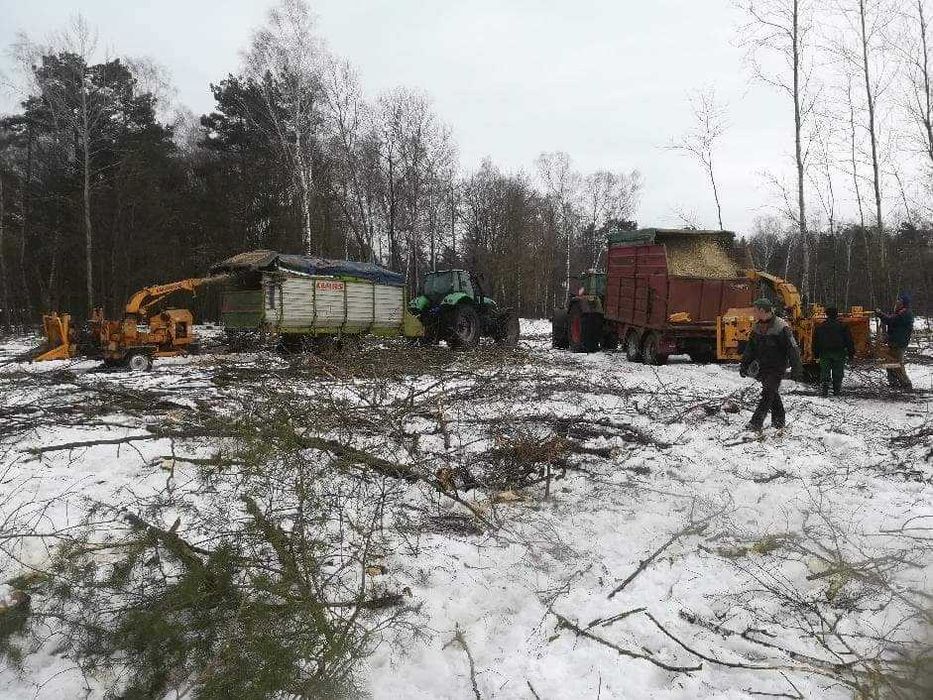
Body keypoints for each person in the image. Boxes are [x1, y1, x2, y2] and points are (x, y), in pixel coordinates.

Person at [740, 298, 803, 432]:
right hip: (763, 367)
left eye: (755, 310)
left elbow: (793, 349)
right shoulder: (757, 327)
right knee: (772, 393)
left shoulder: (781, 327)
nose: (753, 313)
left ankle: (755, 423)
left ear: (762, 310)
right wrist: (744, 365)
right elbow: (750, 348)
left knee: (768, 392)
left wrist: (796, 369)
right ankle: (779, 421)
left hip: (777, 367)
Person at [812, 306, 855, 397]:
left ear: (826, 314)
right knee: (838, 372)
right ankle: (836, 390)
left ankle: (825, 389)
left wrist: (815, 353)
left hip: (824, 352)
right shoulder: (843, 326)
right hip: (839, 352)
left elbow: (815, 341)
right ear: (836, 314)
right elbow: (849, 340)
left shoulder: (820, 327)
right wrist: (851, 353)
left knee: (825, 370)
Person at [876, 292, 915, 390]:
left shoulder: (905, 313)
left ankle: (906, 384)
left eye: (899, 300)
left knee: (896, 364)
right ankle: (893, 383)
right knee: (889, 363)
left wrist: (880, 314)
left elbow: (891, 320)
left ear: (903, 303)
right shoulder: (901, 312)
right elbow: (894, 326)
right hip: (895, 341)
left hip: (899, 343)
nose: (897, 302)